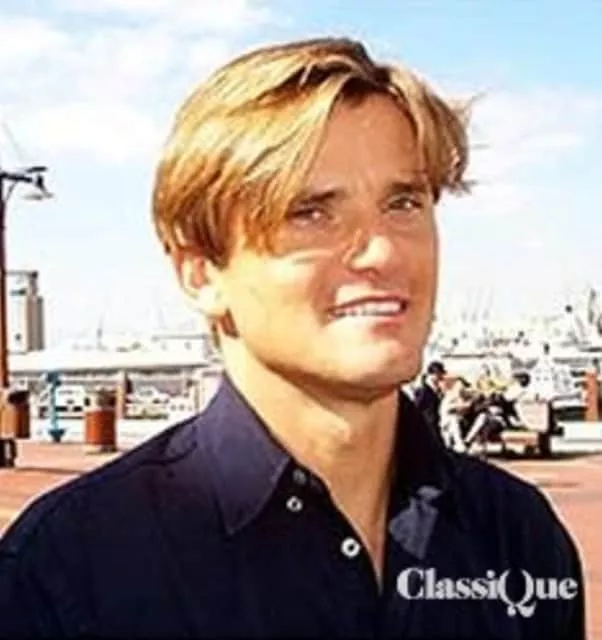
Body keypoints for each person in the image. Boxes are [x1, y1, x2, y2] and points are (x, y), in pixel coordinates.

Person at [0, 37, 585, 638]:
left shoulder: (520, 542)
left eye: (404, 203)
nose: (382, 252)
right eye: (311, 213)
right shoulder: (73, 574)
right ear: (202, 274)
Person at [413, 360, 447, 447]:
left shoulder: (434, 388)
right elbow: (416, 407)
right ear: (433, 374)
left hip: (433, 422)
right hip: (427, 424)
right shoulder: (423, 390)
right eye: (439, 374)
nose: (441, 377)